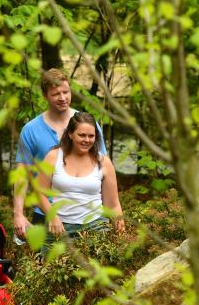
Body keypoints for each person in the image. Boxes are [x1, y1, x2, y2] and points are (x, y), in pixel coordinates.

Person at [13, 68, 108, 240]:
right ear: (45, 95)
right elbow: (21, 175)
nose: (63, 98)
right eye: (56, 94)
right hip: (45, 213)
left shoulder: (88, 125)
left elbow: (103, 170)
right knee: (48, 265)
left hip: (88, 216)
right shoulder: (31, 130)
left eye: (66, 92)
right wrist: (18, 213)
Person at [37, 111, 125, 242]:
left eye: (91, 136)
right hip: (59, 227)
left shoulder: (104, 162)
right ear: (70, 134)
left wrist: (120, 232)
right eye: (82, 135)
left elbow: (112, 204)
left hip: (96, 227)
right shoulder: (53, 157)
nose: (87, 140)